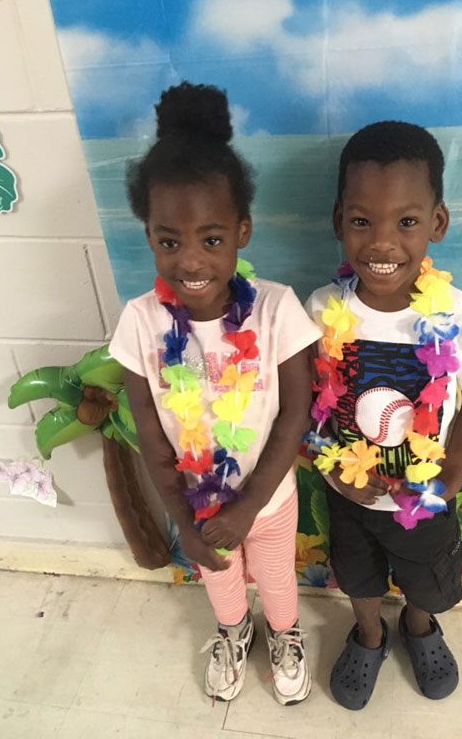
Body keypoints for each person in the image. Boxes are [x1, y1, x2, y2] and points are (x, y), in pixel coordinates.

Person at [109, 82, 321, 705]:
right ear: (148, 234)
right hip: (195, 501)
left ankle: (284, 634)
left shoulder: (277, 310)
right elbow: (150, 434)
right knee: (220, 580)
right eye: (169, 240)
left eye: (211, 237)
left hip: (270, 497)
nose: (190, 260)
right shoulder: (140, 322)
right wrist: (185, 519)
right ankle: (233, 632)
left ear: (242, 231)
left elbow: (293, 417)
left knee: (277, 579)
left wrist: (249, 505)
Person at [305, 121, 462, 708]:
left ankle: (420, 627)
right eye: (363, 221)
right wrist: (333, 467)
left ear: (437, 223)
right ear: (340, 219)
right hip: (351, 494)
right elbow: (307, 403)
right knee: (357, 573)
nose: (382, 243)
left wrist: (446, 480)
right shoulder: (322, 308)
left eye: (407, 222)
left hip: (426, 496)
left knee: (428, 580)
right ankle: (368, 632)